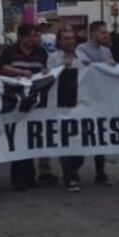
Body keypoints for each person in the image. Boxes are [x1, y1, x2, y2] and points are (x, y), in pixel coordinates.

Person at [0, 23, 51, 189]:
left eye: (36, 36)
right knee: (17, 137)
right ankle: (18, 176)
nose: (33, 39)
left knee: (31, 137)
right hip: (14, 99)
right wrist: (20, 73)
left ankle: (30, 175)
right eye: (30, 36)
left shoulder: (41, 52)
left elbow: (46, 69)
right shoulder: (9, 51)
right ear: (22, 36)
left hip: (34, 99)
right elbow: (1, 68)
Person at [76, 20, 114, 184]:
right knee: (83, 134)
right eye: (102, 32)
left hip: (102, 98)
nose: (106, 35)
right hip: (86, 98)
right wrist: (105, 66)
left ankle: (100, 172)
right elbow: (86, 67)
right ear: (93, 34)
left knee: (101, 135)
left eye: (106, 32)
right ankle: (74, 170)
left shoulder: (106, 51)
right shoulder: (81, 49)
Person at [48, 27, 85, 192]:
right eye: (66, 38)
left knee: (80, 144)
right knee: (65, 142)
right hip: (61, 106)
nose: (70, 41)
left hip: (80, 105)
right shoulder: (53, 58)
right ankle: (69, 175)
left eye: (72, 37)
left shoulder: (82, 57)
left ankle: (74, 169)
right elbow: (49, 77)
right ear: (60, 41)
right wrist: (63, 67)